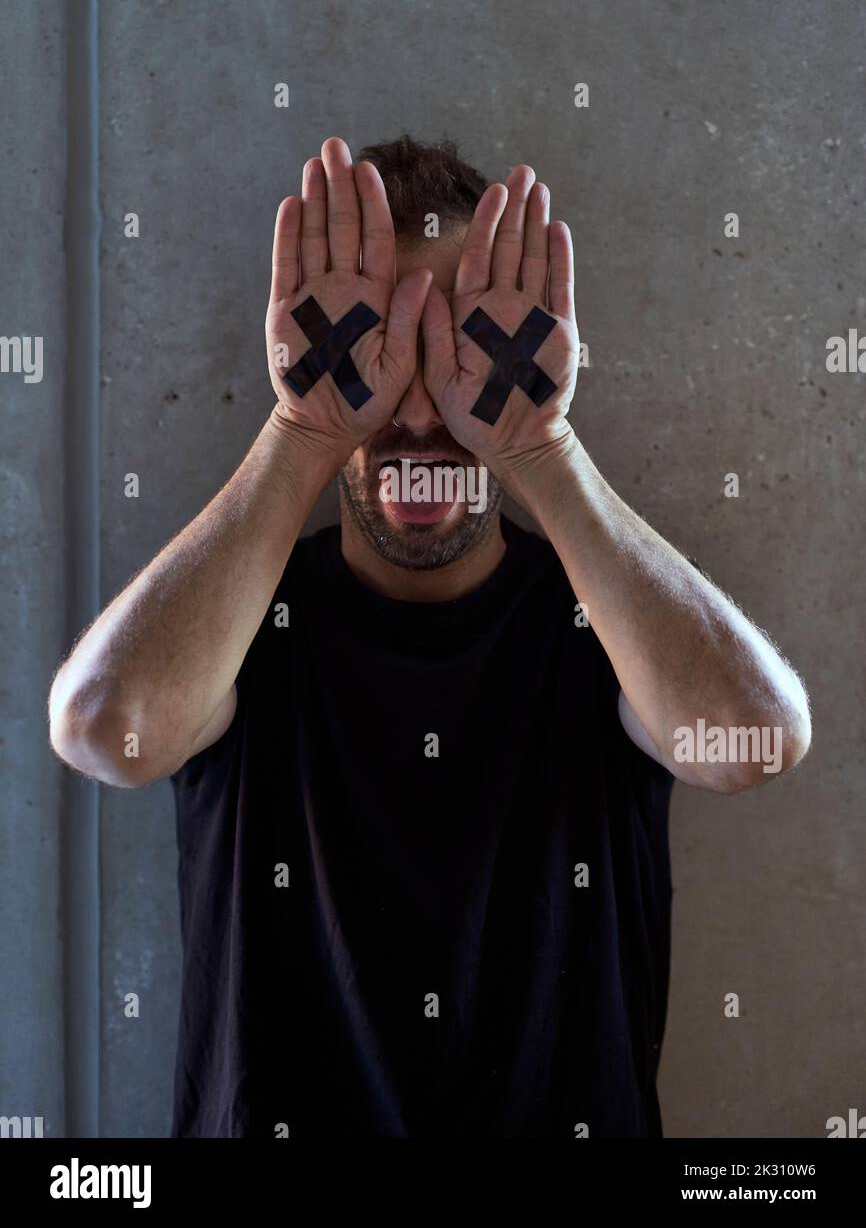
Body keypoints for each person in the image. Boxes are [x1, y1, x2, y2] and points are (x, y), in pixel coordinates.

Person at [49, 135, 811, 1139]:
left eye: (457, 349)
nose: (419, 413)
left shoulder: (601, 615)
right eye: (381, 350)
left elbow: (756, 739)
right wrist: (307, 431)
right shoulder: (241, 620)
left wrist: (536, 443)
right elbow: (108, 731)